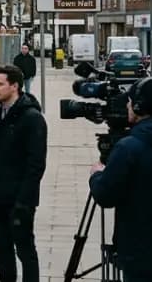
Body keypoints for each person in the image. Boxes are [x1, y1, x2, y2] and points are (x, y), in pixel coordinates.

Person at [0, 64, 47, 282]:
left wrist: (24, 202)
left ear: (14, 86)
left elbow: (36, 165)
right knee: (2, 250)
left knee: (25, 251)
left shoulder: (32, 118)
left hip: (19, 199)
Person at [88, 76, 152, 280]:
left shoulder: (129, 147)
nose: (127, 105)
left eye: (130, 101)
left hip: (140, 251)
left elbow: (105, 195)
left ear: (139, 106)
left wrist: (97, 175)